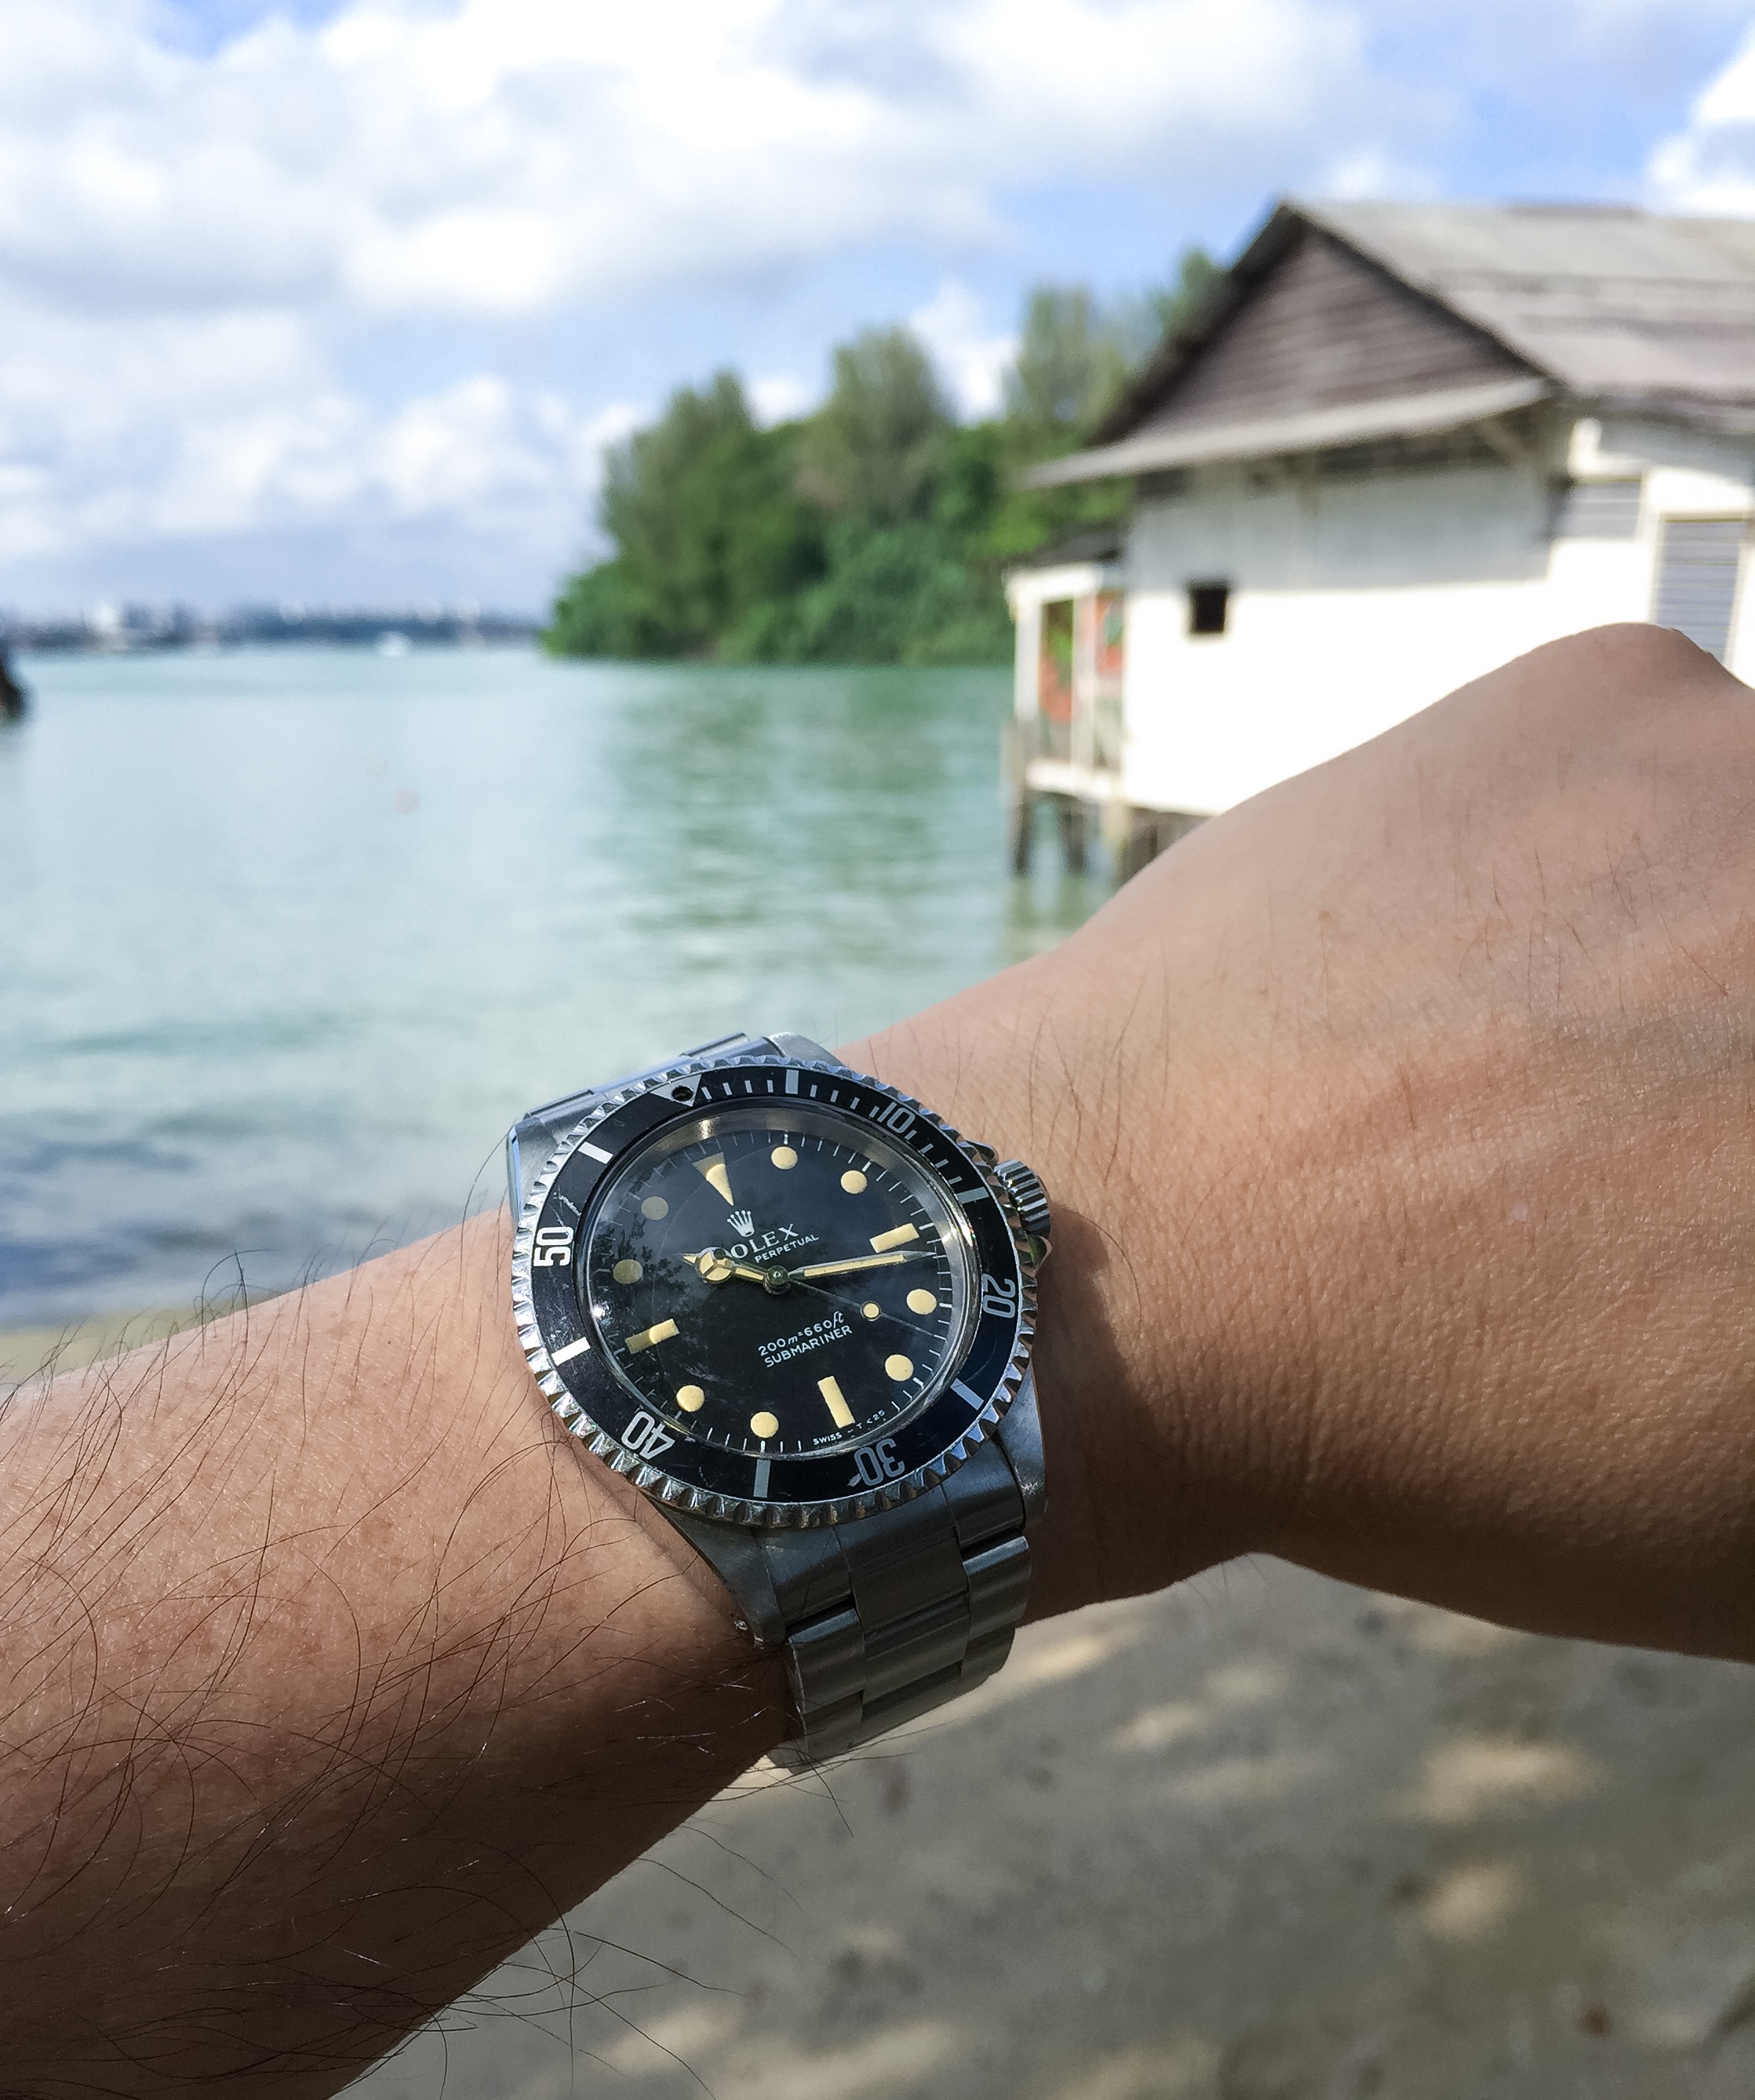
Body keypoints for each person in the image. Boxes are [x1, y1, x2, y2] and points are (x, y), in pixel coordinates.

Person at [1, 622, 1750, 2098]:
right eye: (741, 1260)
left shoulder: (926, 1232)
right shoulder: (605, 1235)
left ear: (996, 1211)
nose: (769, 1266)